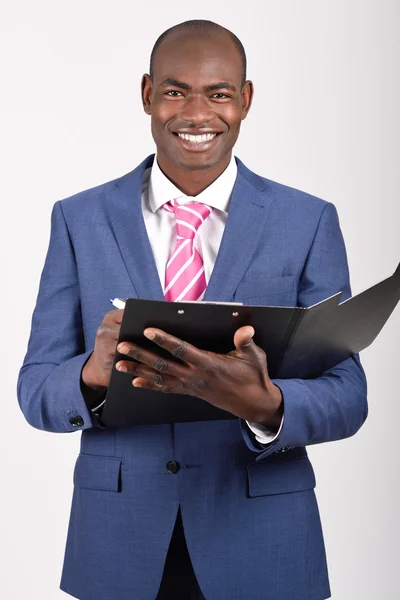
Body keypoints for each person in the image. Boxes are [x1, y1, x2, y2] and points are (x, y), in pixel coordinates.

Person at [17, 19, 368, 600]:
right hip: (118, 544)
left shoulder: (307, 221)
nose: (196, 113)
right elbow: (35, 389)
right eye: (176, 90)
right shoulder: (78, 220)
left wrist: (267, 405)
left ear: (246, 100)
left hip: (263, 538)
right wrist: (91, 376)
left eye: (219, 93)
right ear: (147, 95)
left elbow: (347, 393)